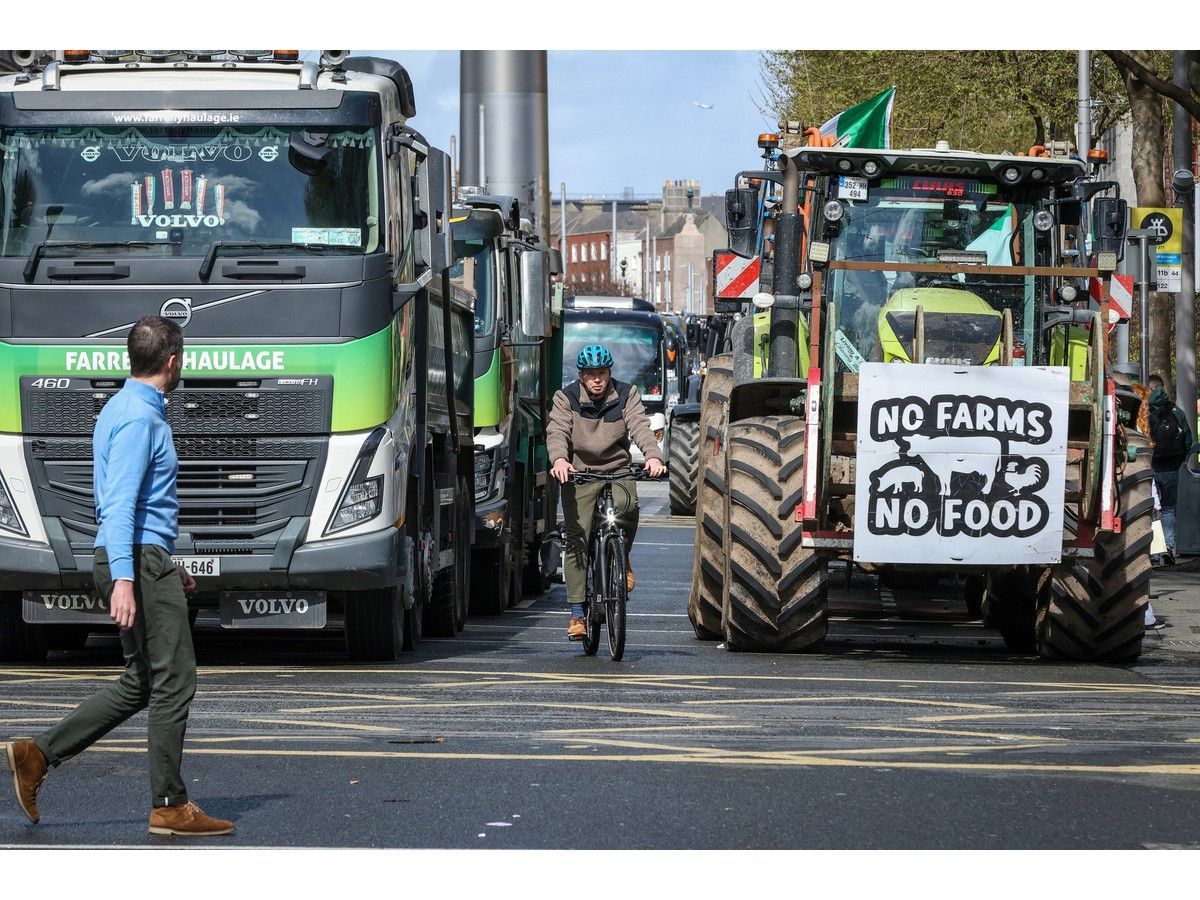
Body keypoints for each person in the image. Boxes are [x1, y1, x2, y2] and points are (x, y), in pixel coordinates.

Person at [3, 316, 233, 836]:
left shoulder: (124, 407)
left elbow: (132, 503)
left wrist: (164, 566)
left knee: (140, 681)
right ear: (173, 361)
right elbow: (122, 503)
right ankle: (170, 805)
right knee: (176, 678)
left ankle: (37, 755)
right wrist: (128, 578)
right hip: (133, 558)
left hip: (143, 558)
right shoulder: (139, 418)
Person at [549, 344, 666, 640]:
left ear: (609, 373)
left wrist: (652, 455)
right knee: (578, 536)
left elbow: (640, 426)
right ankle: (577, 614)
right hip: (580, 471)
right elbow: (558, 431)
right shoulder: (566, 398)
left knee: (628, 510)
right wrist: (560, 459)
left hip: (617, 469)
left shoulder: (627, 394)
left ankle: (621, 556)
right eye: (591, 374)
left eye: (602, 373)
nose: (597, 379)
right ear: (582, 376)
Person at [1147, 373, 1193, 564]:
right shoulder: (1177, 411)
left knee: (1150, 509)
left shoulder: (1144, 411)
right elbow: (1188, 438)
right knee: (1168, 509)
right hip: (1172, 467)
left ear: (1150, 388)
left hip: (1150, 468)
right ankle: (1169, 547)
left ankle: (1153, 552)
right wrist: (1180, 460)